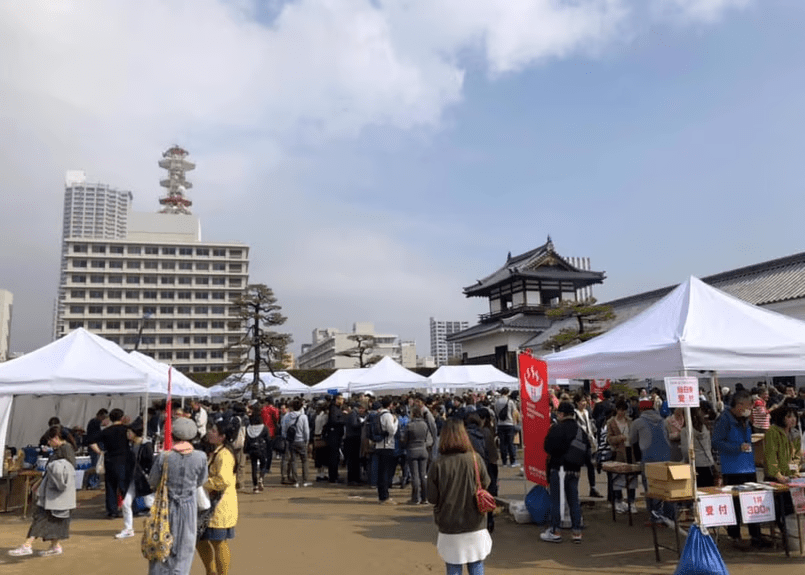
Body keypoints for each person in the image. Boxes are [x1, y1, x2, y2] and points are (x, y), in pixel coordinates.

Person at [427, 418, 492, 575]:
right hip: (475, 521)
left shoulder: (437, 463)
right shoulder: (475, 458)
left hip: (449, 523)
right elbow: (486, 483)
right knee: (476, 563)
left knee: (453, 565)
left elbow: (432, 498)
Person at [147, 416, 208, 575]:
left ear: (172, 435)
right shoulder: (201, 457)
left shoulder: (164, 456)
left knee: (161, 542)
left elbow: (153, 481)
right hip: (189, 507)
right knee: (185, 548)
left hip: (165, 506)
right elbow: (201, 480)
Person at [9, 426, 77, 557]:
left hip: (55, 492)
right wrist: (40, 483)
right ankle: (55, 546)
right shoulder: (63, 449)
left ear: (56, 438)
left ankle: (27, 545)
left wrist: (48, 482)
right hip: (56, 492)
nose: (49, 444)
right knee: (55, 520)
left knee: (41, 517)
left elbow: (64, 472)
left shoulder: (65, 450)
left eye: (50, 440)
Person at [712, 389, 764, 547]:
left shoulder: (745, 420)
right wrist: (736, 448)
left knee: (752, 504)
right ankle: (735, 535)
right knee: (735, 504)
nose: (750, 409)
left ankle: (756, 535)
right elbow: (716, 442)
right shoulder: (724, 420)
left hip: (748, 467)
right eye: (748, 406)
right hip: (732, 469)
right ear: (739, 405)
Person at [197, 420, 239, 575]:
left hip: (219, 506)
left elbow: (223, 480)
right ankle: (211, 571)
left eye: (213, 431)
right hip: (213, 505)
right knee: (201, 539)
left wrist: (202, 483)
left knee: (218, 542)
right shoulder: (218, 452)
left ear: (222, 436)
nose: (210, 432)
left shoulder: (224, 455)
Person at [541, 402, 586, 544]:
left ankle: (555, 531)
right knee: (574, 501)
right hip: (575, 470)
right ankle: (577, 532)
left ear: (561, 414)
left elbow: (547, 447)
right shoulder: (580, 430)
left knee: (557, 501)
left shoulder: (556, 428)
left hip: (559, 468)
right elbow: (587, 449)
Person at [629, 398, 674, 527]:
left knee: (651, 488)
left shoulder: (638, 422)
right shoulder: (663, 421)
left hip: (649, 458)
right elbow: (669, 436)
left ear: (640, 410)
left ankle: (655, 516)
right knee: (665, 487)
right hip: (666, 457)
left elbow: (631, 440)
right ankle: (668, 515)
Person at [90, 408, 132, 518]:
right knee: (125, 486)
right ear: (122, 418)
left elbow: (91, 441)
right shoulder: (126, 429)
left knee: (111, 487)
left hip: (110, 460)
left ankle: (112, 511)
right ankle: (130, 508)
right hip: (124, 460)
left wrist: (100, 452)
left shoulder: (106, 431)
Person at [115, 421, 154, 539]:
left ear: (135, 433)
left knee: (150, 504)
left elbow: (150, 463)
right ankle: (128, 529)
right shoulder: (128, 445)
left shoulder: (146, 445)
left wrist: (150, 478)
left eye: (129, 432)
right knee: (126, 503)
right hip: (131, 478)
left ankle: (159, 525)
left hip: (144, 479)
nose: (128, 434)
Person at [606, 399, 637, 513]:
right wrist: (619, 438)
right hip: (618, 452)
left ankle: (631, 501)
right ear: (616, 410)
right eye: (620, 410)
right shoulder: (611, 422)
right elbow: (609, 438)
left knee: (632, 477)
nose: (622, 412)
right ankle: (618, 500)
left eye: (624, 410)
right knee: (618, 478)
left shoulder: (630, 421)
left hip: (630, 452)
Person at [763, 406, 802, 483]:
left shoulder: (795, 434)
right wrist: (778, 475)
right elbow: (771, 456)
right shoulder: (772, 432)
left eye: (795, 416)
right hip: (773, 477)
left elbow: (796, 457)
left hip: (789, 476)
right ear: (781, 418)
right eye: (789, 417)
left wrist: (795, 472)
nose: (793, 419)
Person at [574, 393, 602, 498]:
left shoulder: (586, 412)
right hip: (578, 443)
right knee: (577, 467)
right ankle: (575, 491)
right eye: (582, 401)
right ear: (577, 403)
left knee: (590, 465)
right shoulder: (575, 414)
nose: (584, 403)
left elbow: (590, 425)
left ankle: (593, 488)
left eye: (585, 401)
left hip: (589, 441)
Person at [680, 407, 716, 488]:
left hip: (695, 464)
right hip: (708, 463)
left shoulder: (685, 431)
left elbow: (686, 451)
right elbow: (709, 446)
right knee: (709, 490)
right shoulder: (705, 429)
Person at [281, 398, 311, 487]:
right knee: (304, 461)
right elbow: (306, 431)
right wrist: (307, 440)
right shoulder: (303, 417)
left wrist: (286, 438)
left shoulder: (287, 417)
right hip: (301, 441)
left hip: (291, 441)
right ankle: (305, 480)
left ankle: (295, 481)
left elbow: (284, 430)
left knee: (293, 461)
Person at [375, 397, 399, 504]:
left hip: (379, 445)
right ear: (390, 405)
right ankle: (385, 496)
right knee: (386, 472)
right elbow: (392, 430)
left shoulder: (378, 415)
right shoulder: (388, 416)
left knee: (381, 472)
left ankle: (381, 495)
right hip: (387, 445)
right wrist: (396, 421)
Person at [404, 405, 429, 505]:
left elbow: (405, 439)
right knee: (423, 475)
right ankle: (425, 497)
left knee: (415, 475)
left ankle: (415, 498)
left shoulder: (410, 425)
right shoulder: (425, 424)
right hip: (423, 449)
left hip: (412, 450)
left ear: (413, 414)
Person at [243, 411, 270, 492]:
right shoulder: (264, 428)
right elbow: (268, 440)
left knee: (253, 467)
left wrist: (246, 450)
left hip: (252, 449)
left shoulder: (249, 428)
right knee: (263, 464)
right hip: (262, 449)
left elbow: (246, 440)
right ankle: (261, 478)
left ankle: (255, 486)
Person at [494, 388, 517, 467]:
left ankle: (504, 461)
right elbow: (514, 412)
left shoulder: (497, 401)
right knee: (510, 443)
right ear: (507, 393)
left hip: (500, 424)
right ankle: (512, 461)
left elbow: (496, 413)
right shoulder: (510, 401)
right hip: (509, 423)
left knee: (502, 443)